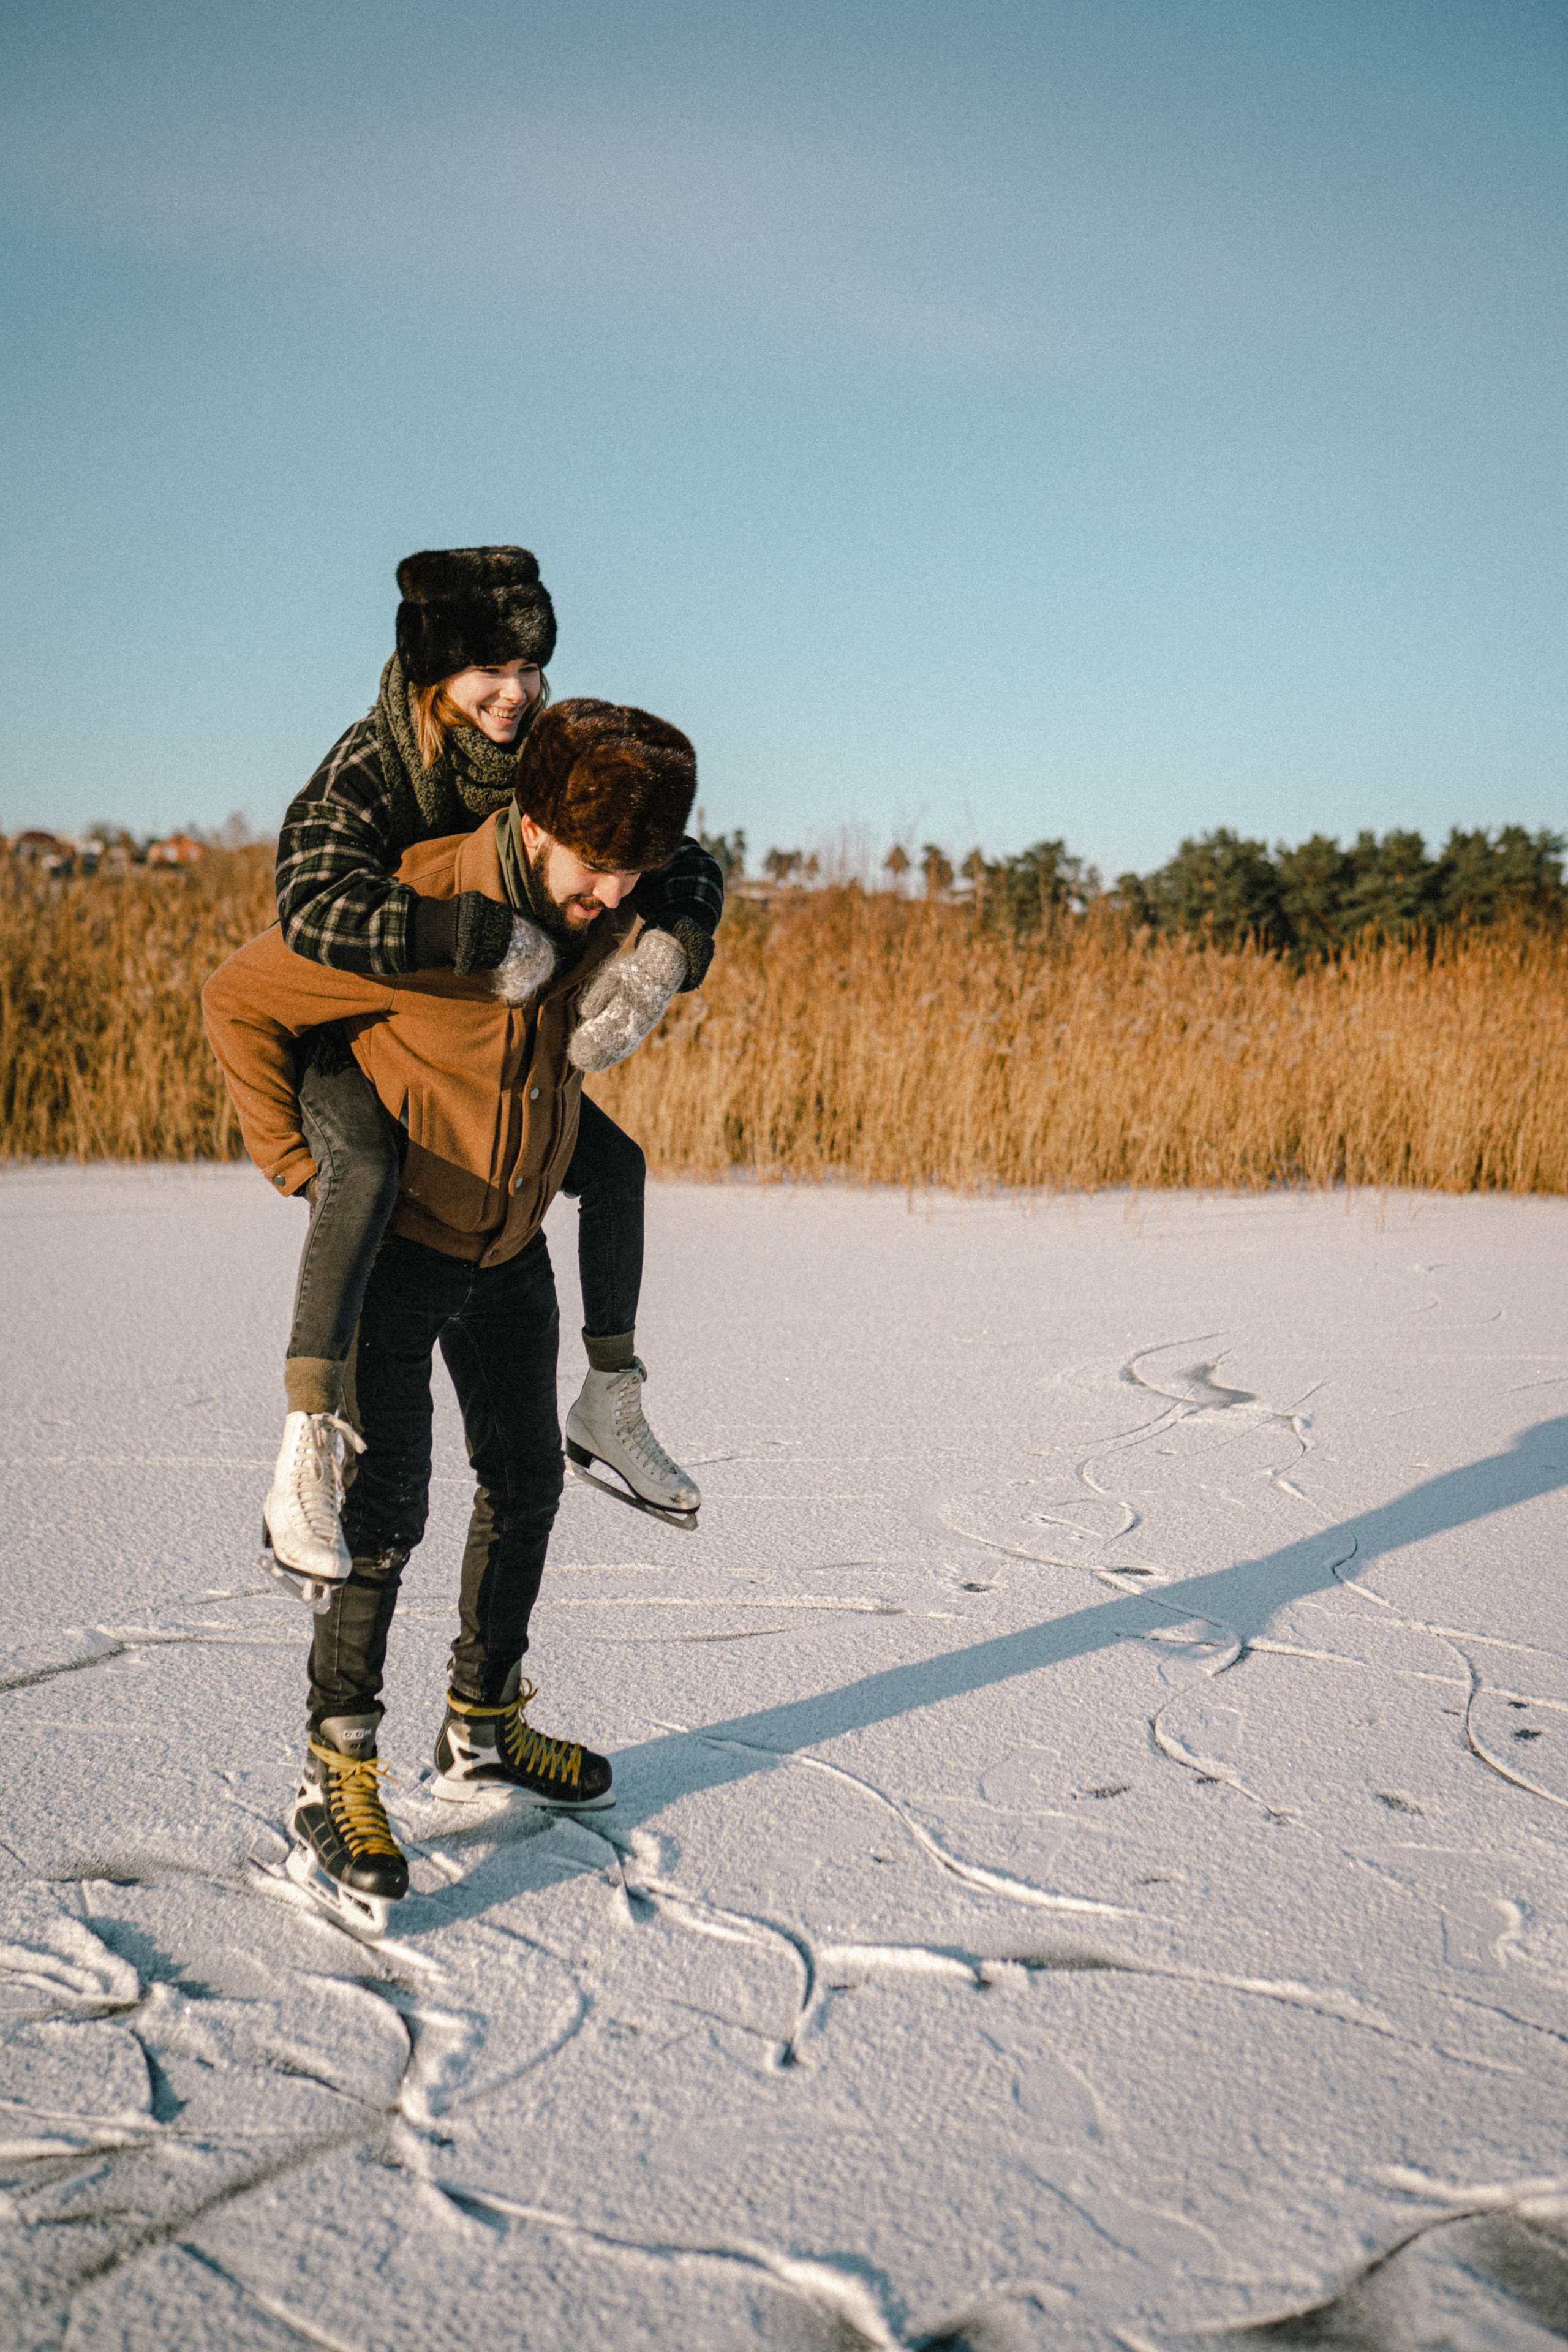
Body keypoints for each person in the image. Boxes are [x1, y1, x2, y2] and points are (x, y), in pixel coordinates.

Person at [203, 698, 698, 1934]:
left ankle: (483, 1726)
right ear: (533, 825)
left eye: (631, 877)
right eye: (598, 875)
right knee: (382, 1513)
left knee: (528, 1479)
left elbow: (684, 887)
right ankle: (339, 1770)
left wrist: (657, 932)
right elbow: (238, 999)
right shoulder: (416, 903)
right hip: (402, 1251)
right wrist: (296, 1167)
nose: (610, 899)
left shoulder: (604, 901)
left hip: (512, 1247)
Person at [262, 546, 723, 1597]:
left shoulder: (533, 758)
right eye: (491, 672)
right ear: (432, 674)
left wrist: (666, 953)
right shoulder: (373, 766)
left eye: (532, 668)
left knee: (614, 1169)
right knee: (369, 1177)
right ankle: (302, 1448)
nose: (515, 694)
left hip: (484, 1055)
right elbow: (310, 904)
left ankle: (612, 1400)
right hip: (356, 1036)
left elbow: (671, 849)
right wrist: (464, 932)